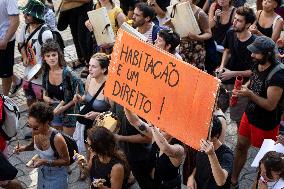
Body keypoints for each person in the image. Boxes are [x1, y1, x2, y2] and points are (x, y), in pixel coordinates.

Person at [231, 36, 284, 188]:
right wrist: (244, 88)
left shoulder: (278, 76)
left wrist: (249, 95)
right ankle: (233, 181)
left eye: (256, 53)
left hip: (266, 124)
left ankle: (257, 184)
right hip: (249, 115)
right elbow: (253, 80)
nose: (252, 55)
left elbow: (270, 105)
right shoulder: (257, 63)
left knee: (265, 160)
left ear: (267, 54)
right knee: (240, 146)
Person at [13, 102, 70, 189]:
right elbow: (32, 146)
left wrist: (45, 162)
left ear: (46, 122)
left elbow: (66, 161)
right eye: (29, 126)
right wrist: (21, 148)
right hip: (42, 174)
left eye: (35, 127)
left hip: (57, 176)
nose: (33, 130)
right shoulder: (35, 131)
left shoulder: (57, 139)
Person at [125, 108, 185, 189]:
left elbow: (165, 148)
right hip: (151, 183)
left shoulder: (179, 149)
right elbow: (135, 121)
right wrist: (125, 106)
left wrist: (152, 126)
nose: (160, 129)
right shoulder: (156, 135)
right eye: (160, 125)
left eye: (164, 128)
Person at [216, 6, 256, 127]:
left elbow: (253, 72)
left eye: (239, 20)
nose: (234, 22)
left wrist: (232, 73)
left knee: (238, 118)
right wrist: (222, 66)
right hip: (225, 78)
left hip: (241, 85)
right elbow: (227, 50)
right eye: (235, 19)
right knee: (215, 109)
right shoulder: (230, 32)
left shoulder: (254, 43)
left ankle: (241, 143)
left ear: (248, 24)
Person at [42, 39, 84, 136]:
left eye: (54, 55)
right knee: (57, 138)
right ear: (44, 58)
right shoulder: (46, 71)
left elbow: (80, 95)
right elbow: (44, 88)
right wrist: (45, 96)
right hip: (54, 109)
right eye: (48, 56)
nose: (51, 58)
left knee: (69, 141)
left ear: (58, 55)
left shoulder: (69, 73)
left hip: (69, 111)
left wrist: (64, 107)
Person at [73, 53, 111, 160]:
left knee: (99, 152)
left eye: (94, 66)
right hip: (87, 121)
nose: (89, 69)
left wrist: (98, 114)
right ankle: (88, 169)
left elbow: (115, 114)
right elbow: (87, 96)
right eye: (89, 65)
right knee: (87, 145)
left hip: (101, 126)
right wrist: (80, 98)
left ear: (103, 70)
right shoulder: (90, 78)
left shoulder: (109, 87)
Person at [18, 0, 53, 107]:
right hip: (28, 75)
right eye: (25, 13)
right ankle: (32, 121)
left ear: (36, 16)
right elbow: (21, 44)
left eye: (28, 14)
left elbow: (50, 57)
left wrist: (37, 71)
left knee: (42, 104)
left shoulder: (46, 33)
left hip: (42, 78)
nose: (24, 16)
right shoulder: (25, 27)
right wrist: (24, 57)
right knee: (30, 101)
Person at [187, 116, 233, 189]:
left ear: (216, 136)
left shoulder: (226, 155)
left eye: (204, 137)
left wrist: (211, 154)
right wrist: (192, 176)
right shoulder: (202, 144)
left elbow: (221, 181)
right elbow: (198, 164)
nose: (200, 139)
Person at [57, 0, 93, 76]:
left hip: (84, 7)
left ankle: (89, 62)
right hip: (71, 7)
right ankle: (81, 58)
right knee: (75, 35)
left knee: (83, 37)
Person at [178, 0, 212, 71]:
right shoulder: (179, 10)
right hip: (183, 46)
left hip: (196, 49)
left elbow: (209, 33)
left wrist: (197, 37)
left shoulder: (200, 13)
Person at [0, 0, 20, 96]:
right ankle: (17, 81)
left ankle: (4, 100)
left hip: (4, 40)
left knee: (5, 73)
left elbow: (15, 21)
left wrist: (5, 40)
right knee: (3, 68)